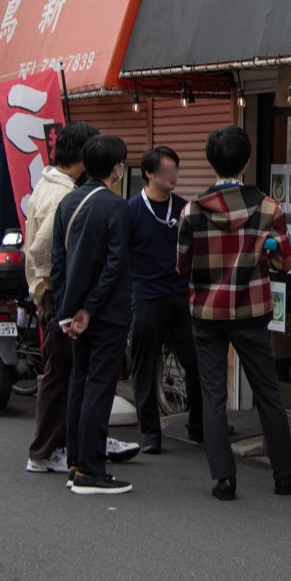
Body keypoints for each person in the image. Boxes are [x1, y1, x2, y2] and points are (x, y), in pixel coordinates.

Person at [176, 125, 291, 501]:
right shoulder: (268, 207)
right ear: (247, 162)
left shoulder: (192, 210)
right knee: (268, 392)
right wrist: (266, 249)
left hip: (206, 312)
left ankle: (224, 478)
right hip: (251, 310)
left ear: (211, 162)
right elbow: (286, 262)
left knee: (213, 394)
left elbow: (182, 265)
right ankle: (285, 474)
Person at [24, 121, 136, 475]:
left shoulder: (60, 190)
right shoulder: (73, 196)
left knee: (75, 378)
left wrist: (64, 302)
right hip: (76, 301)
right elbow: (47, 251)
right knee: (74, 378)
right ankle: (62, 454)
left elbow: (57, 257)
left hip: (64, 298)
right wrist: (71, 303)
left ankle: (79, 452)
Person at [52, 134, 136, 496]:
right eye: (122, 163)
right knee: (99, 387)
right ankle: (90, 471)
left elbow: (58, 261)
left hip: (74, 312)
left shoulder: (67, 202)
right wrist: (90, 308)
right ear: (116, 167)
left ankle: (76, 463)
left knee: (80, 383)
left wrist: (67, 312)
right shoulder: (116, 207)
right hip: (107, 312)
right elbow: (115, 265)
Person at [126, 146, 202, 453]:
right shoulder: (132, 210)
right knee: (144, 365)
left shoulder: (184, 208)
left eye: (176, 170)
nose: (173, 176)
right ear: (149, 173)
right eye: (167, 171)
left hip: (181, 295)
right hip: (146, 296)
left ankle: (198, 424)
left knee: (195, 360)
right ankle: (150, 433)